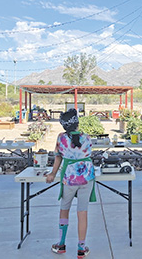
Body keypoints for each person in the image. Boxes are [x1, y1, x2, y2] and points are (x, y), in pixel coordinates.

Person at [45, 109, 95, 258]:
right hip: (87, 177)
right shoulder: (87, 137)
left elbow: (58, 158)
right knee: (82, 212)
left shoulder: (61, 138)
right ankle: (81, 248)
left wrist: (52, 174)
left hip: (69, 178)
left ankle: (61, 244)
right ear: (78, 123)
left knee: (64, 209)